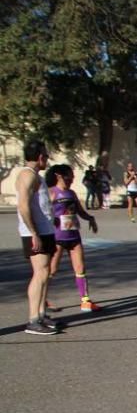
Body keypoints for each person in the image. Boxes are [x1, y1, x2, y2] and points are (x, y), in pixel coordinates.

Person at [15, 140, 59, 335]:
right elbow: (23, 206)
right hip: (35, 233)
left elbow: (39, 205)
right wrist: (34, 233)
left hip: (45, 230)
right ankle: (33, 320)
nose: (47, 159)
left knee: (45, 272)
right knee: (40, 273)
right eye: (46, 155)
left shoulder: (36, 176)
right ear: (40, 157)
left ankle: (41, 314)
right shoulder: (27, 175)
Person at [45, 164, 101, 312]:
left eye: (73, 177)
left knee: (80, 268)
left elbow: (80, 211)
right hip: (57, 237)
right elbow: (43, 214)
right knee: (52, 269)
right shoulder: (51, 193)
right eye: (69, 177)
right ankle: (42, 299)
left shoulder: (72, 193)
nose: (71, 180)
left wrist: (90, 219)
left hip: (74, 235)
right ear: (59, 176)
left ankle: (85, 300)